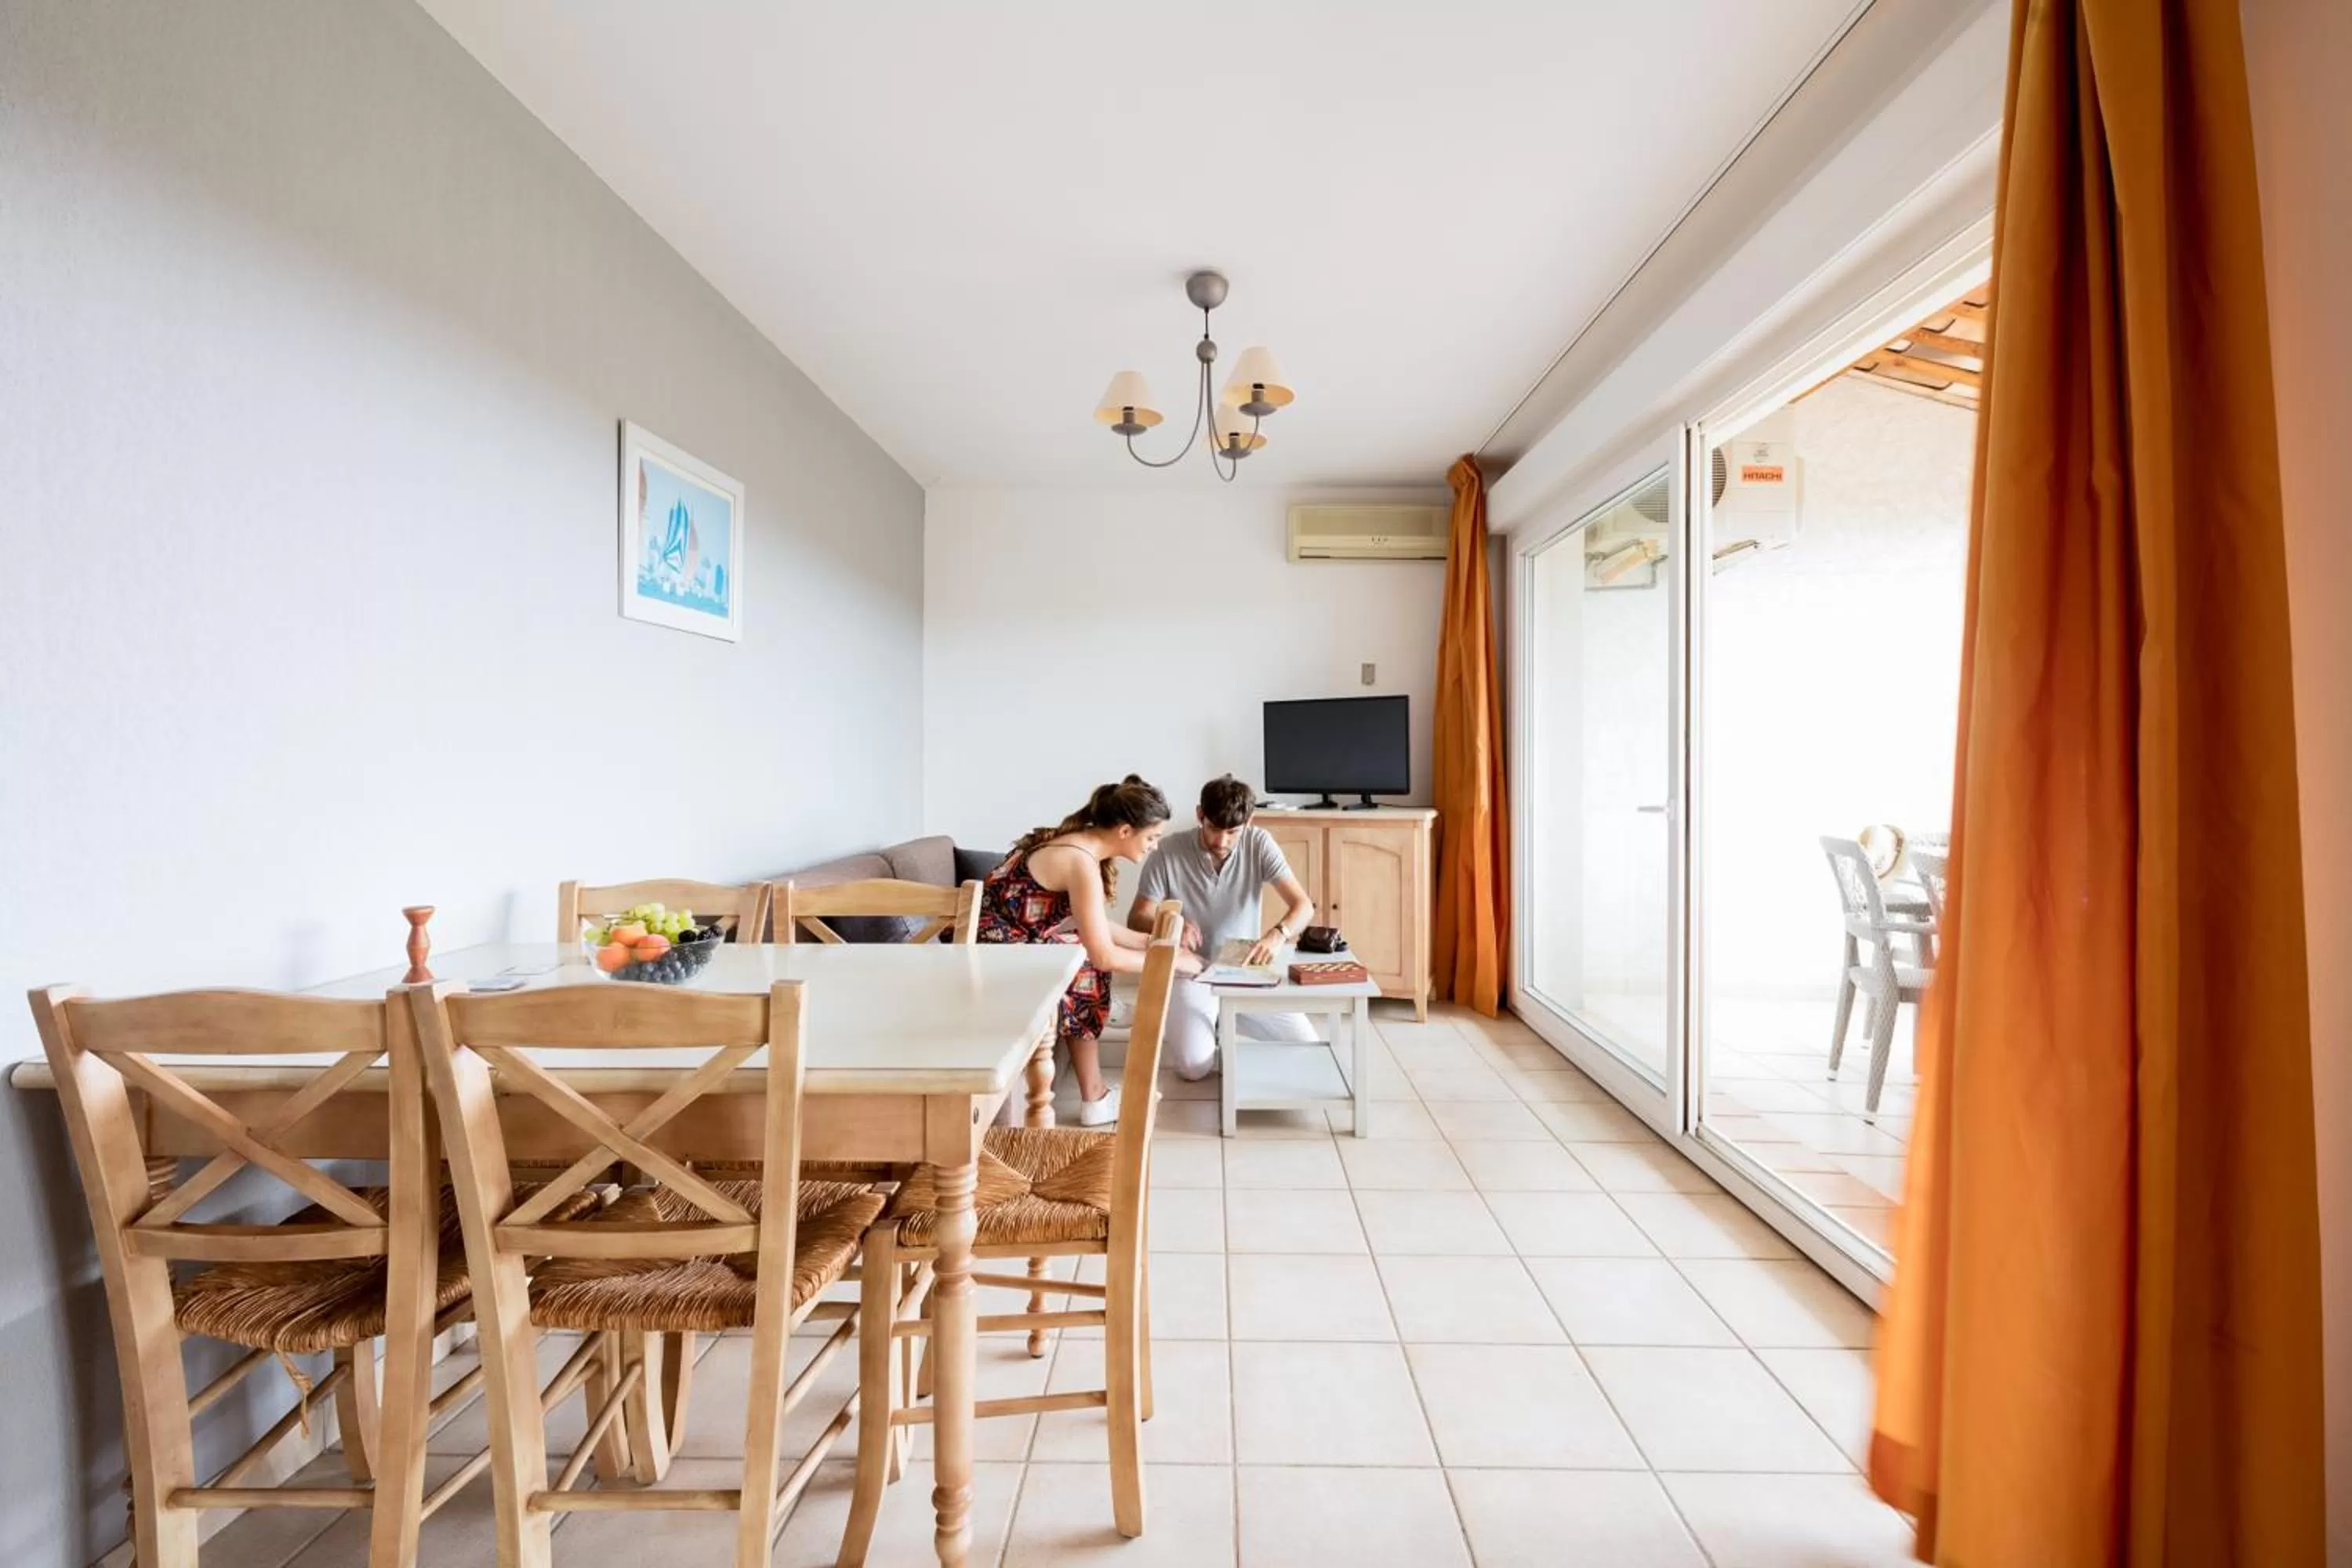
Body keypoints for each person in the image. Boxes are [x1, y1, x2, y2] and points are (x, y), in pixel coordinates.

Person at [980, 775, 1204, 1127]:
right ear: (1125, 831)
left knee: (1082, 950)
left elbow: (1091, 924)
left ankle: (1099, 1070)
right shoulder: (1080, 862)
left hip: (1007, 945)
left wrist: (1152, 942)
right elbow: (1104, 955)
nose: (1154, 846)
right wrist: (1171, 961)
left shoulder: (1078, 846)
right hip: (989, 956)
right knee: (1087, 964)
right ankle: (1095, 1096)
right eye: (1152, 837)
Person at [1127, 775, 1320, 1080]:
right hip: (1190, 970)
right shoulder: (1168, 850)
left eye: (1232, 832)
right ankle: (1201, 1021)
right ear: (1200, 815)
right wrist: (1172, 924)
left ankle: (1218, 1020)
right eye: (1214, 829)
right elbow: (1138, 917)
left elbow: (1303, 905)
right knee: (1193, 1068)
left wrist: (1277, 935)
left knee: (1309, 1045)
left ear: (1249, 821)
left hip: (1241, 967)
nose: (1222, 841)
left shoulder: (1259, 842)